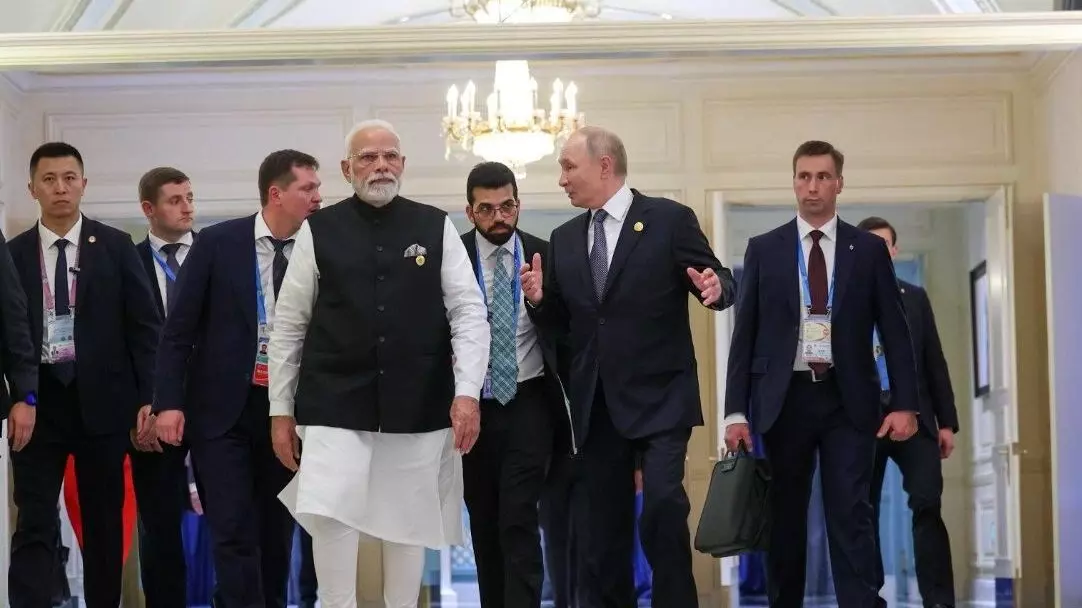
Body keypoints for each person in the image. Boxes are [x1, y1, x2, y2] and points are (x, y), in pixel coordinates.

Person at [268, 119, 489, 608]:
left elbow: (469, 312)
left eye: (390, 155)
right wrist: (280, 410)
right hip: (332, 402)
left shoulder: (436, 226)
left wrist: (467, 393)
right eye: (368, 157)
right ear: (348, 169)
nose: (381, 165)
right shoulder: (317, 230)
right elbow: (289, 325)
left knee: (407, 525)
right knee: (332, 517)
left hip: (418, 402)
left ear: (404, 165)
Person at [519, 125, 735, 607]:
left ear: (604, 165)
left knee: (661, 508)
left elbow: (716, 276)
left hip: (661, 399)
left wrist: (717, 289)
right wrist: (537, 299)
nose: (561, 179)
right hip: (596, 408)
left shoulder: (669, 219)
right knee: (603, 532)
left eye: (568, 166)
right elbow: (565, 324)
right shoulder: (564, 238)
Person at [723, 140, 920, 608]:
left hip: (847, 400)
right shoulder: (765, 249)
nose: (813, 186)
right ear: (793, 181)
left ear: (839, 184)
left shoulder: (868, 249)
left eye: (823, 177)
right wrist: (735, 412)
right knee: (785, 516)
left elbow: (895, 330)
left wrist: (907, 403)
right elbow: (743, 336)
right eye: (804, 176)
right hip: (783, 400)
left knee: (850, 512)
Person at [153, 149, 323, 608]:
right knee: (231, 530)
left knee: (275, 532)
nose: (318, 197)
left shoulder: (320, 245)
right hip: (222, 414)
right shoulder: (217, 242)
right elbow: (178, 330)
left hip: (287, 412)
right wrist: (169, 401)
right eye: (308, 188)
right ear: (276, 193)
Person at [8, 141, 161, 608]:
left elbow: (145, 328)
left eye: (69, 178)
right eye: (49, 179)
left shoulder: (113, 246)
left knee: (103, 521)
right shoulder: (13, 254)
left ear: (84, 184)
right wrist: (18, 396)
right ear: (33, 188)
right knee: (33, 518)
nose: (60, 188)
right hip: (38, 403)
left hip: (104, 407)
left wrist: (147, 397)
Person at [459, 161, 570, 608]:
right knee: (484, 522)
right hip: (471, 409)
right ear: (470, 213)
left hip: (527, 402)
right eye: (486, 209)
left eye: (507, 207)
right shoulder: (452, 257)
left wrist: (540, 300)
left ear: (518, 206)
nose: (498, 217)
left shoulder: (547, 255)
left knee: (519, 519)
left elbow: (569, 330)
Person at [857, 216, 959, 608]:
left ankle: (938, 599)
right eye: (871, 244)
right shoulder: (844, 299)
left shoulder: (914, 297)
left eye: (885, 244)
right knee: (861, 510)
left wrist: (946, 423)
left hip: (916, 420)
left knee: (927, 504)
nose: (879, 251)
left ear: (895, 250)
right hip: (864, 422)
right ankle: (869, 596)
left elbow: (934, 360)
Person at [128, 166, 198, 608]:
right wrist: (144, 401)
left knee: (235, 522)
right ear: (149, 209)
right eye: (175, 200)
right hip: (152, 413)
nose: (187, 206)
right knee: (159, 526)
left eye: (190, 197)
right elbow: (120, 342)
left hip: (216, 409)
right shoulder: (127, 259)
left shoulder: (216, 253)